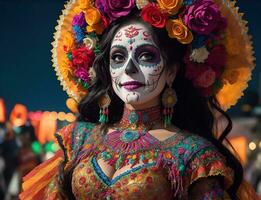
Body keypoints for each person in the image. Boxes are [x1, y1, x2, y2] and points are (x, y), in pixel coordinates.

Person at [20, 0, 259, 199]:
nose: (129, 68)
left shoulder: (194, 155)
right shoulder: (78, 140)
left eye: (146, 55)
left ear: (171, 72)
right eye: (117, 57)